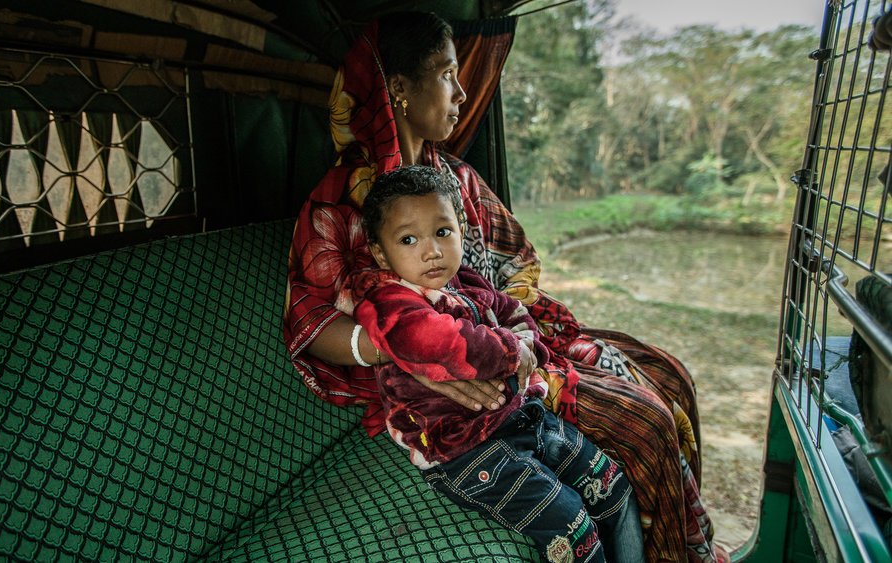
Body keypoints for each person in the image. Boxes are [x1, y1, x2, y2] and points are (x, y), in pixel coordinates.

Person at [283, 10, 724, 563]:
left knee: (668, 375)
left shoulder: (457, 179)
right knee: (648, 424)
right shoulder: (338, 201)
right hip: (434, 383)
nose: (462, 93)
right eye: (447, 74)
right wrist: (418, 351)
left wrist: (515, 333)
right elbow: (312, 325)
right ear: (397, 88)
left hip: (514, 341)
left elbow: (515, 271)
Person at [343, 164, 644, 562]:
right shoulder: (389, 304)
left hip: (522, 416)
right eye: (409, 239)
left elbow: (515, 311)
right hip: (463, 449)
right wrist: (512, 351)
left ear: (460, 232)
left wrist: (525, 342)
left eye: (442, 232)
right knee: (575, 530)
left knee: (613, 488)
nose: (431, 250)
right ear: (381, 252)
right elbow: (441, 343)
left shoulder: (464, 282)